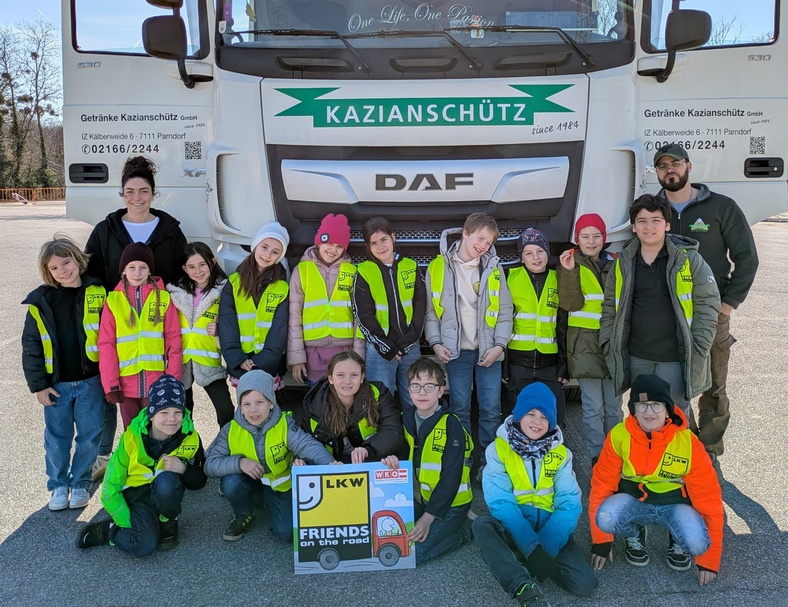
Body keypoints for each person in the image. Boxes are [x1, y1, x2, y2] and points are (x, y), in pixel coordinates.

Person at [655, 143, 759, 479]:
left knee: (714, 385)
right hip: (667, 315)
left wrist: (728, 304)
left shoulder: (721, 208)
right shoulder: (653, 209)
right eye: (662, 166)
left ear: (689, 166)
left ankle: (709, 450)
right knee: (672, 384)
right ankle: (681, 444)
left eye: (675, 164)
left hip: (711, 313)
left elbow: (747, 258)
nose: (669, 170)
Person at [85, 156, 187, 480]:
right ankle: (127, 464)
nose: (137, 197)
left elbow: (185, 274)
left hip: (162, 325)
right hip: (122, 331)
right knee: (129, 417)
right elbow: (91, 276)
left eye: (144, 190)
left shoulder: (170, 230)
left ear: (153, 193)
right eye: (130, 190)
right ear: (122, 193)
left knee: (171, 407)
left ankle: (176, 460)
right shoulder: (106, 230)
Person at [588, 374, 723, 587]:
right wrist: (601, 540)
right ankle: (635, 532)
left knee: (698, 544)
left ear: (667, 409)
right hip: (635, 503)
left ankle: (677, 538)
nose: (649, 412)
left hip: (675, 507)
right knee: (604, 518)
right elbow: (601, 487)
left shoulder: (688, 443)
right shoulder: (619, 435)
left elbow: (710, 500)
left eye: (656, 405)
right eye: (642, 405)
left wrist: (708, 560)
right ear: (633, 410)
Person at [473, 383, 597, 607]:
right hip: (512, 527)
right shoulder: (498, 450)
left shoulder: (561, 454)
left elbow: (569, 502)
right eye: (530, 413)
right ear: (518, 416)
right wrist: (531, 547)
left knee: (585, 583)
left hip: (549, 528)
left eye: (544, 416)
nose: (536, 421)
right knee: (482, 525)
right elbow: (501, 503)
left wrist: (545, 549)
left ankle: (522, 560)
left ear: (551, 422)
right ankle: (521, 585)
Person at [599, 194, 720, 418]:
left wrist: (700, 344)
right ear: (634, 227)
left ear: (667, 224)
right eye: (642, 221)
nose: (649, 227)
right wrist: (609, 342)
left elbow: (708, 303)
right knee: (641, 415)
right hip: (636, 357)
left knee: (675, 416)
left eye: (656, 220)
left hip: (674, 357)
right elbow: (609, 307)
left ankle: (675, 454)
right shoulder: (622, 263)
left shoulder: (688, 260)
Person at [76, 375, 207, 556]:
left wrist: (184, 469)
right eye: (164, 412)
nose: (172, 419)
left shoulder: (190, 436)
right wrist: (124, 521)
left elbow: (200, 482)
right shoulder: (131, 437)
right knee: (143, 546)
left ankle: (167, 521)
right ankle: (110, 531)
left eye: (178, 412)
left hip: (163, 491)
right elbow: (110, 485)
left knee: (168, 481)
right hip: (135, 496)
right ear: (151, 414)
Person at [22, 236, 106, 511]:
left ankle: (80, 482)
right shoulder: (40, 301)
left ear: (77, 260)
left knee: (90, 435)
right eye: (54, 268)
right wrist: (39, 385)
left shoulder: (99, 292)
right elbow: (31, 346)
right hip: (56, 385)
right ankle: (58, 485)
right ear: (48, 272)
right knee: (57, 438)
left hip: (91, 381)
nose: (62, 271)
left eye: (66, 262)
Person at [205, 370, 338, 542]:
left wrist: (331, 464)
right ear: (240, 406)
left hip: (278, 486)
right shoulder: (230, 429)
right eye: (246, 404)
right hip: (249, 484)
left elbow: (308, 446)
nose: (253, 410)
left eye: (259, 402)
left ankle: (269, 505)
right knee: (231, 481)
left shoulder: (284, 425)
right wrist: (240, 463)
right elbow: (210, 465)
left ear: (271, 403)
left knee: (286, 535)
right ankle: (243, 514)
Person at [425, 212, 513, 467]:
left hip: (489, 352)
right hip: (456, 353)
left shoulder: (494, 268)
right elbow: (432, 312)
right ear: (465, 233)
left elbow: (505, 311)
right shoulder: (438, 267)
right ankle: (462, 460)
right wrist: (435, 343)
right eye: (480, 238)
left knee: (490, 409)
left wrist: (499, 346)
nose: (483, 246)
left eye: (488, 242)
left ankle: (489, 463)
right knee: (460, 408)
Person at [381, 357, 473, 564]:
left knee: (414, 554)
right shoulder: (404, 418)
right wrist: (390, 458)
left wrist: (428, 518)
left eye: (429, 386)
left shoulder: (452, 426)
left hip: (451, 504)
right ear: (409, 390)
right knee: (393, 541)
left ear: (440, 391)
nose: (422, 392)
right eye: (416, 386)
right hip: (420, 499)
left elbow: (451, 477)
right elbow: (396, 450)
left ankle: (466, 531)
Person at [557, 214, 622, 462]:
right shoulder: (569, 264)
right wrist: (570, 272)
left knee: (614, 409)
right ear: (577, 239)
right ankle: (598, 458)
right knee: (593, 409)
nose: (591, 241)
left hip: (612, 345)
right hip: (583, 348)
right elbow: (570, 303)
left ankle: (616, 456)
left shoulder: (617, 263)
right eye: (585, 236)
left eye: (596, 236)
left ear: (604, 239)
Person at [98, 243, 182, 428]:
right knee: (132, 431)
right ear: (123, 271)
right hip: (125, 384)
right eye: (132, 267)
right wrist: (111, 385)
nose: (137, 272)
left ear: (150, 271)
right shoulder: (113, 301)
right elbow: (106, 345)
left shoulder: (164, 298)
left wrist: (172, 381)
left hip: (158, 384)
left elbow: (173, 341)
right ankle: (134, 458)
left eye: (143, 267)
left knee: (159, 430)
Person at [352, 217, 427, 407]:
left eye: (383, 239)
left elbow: (421, 305)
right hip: (380, 349)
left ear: (393, 237)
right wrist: (385, 346)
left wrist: (410, 339)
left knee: (414, 400)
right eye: (374, 243)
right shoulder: (364, 271)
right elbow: (362, 314)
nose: (380, 246)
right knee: (380, 401)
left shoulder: (411, 266)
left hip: (410, 345)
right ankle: (386, 436)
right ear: (368, 247)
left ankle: (413, 436)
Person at [288, 213, 365, 384]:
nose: (333, 249)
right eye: (329, 243)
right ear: (319, 241)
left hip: (345, 351)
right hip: (313, 353)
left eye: (339, 246)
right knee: (319, 403)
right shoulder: (302, 271)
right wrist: (296, 358)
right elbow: (294, 317)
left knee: (344, 401)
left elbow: (358, 318)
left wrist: (359, 357)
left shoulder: (352, 272)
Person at [294, 351, 405, 463]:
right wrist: (305, 462)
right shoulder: (315, 403)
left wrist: (368, 449)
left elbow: (393, 430)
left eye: (354, 375)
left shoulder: (378, 392)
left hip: (371, 459)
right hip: (332, 466)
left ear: (362, 378)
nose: (347, 381)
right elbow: (307, 443)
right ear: (330, 378)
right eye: (340, 375)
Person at [167, 241, 234, 428]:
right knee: (183, 412)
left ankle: (226, 450)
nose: (198, 271)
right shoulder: (174, 292)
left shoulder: (224, 291)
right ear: (184, 269)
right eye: (191, 267)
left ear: (212, 262)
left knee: (226, 411)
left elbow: (233, 323)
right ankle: (188, 451)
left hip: (208, 361)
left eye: (202, 264)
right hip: (181, 362)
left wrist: (220, 331)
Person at [507, 228, 568, 428]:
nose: (536, 257)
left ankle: (555, 453)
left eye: (540, 251)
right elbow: (502, 321)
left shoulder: (557, 278)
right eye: (529, 253)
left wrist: (563, 363)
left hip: (548, 362)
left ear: (547, 252)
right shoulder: (510, 278)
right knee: (520, 414)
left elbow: (562, 324)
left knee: (553, 414)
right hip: (518, 360)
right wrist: (504, 365)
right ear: (521, 258)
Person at [218, 222, 289, 385]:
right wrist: (237, 358)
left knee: (270, 406)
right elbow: (227, 324)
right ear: (255, 245)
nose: (267, 255)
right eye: (264, 247)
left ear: (279, 256)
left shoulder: (282, 288)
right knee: (246, 407)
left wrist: (263, 361)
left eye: (275, 252)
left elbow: (280, 328)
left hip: (268, 364)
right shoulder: (234, 283)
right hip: (241, 361)